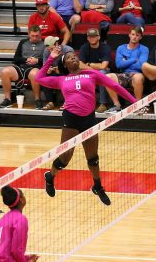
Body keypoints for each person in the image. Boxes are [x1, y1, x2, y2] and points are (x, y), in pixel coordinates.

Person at [36, 45, 137, 204]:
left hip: (89, 119)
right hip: (71, 119)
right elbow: (39, 78)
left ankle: (98, 186)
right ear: (65, 65)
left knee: (93, 158)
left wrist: (135, 102)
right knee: (64, 159)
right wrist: (51, 58)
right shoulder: (62, 80)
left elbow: (115, 86)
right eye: (69, 58)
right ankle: (50, 176)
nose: (73, 58)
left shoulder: (92, 74)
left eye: (74, 56)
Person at [0, 25, 45, 109]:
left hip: (35, 67)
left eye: (37, 36)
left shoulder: (44, 44)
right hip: (22, 67)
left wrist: (37, 60)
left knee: (35, 74)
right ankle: (7, 99)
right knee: (5, 71)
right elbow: (16, 58)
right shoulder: (23, 42)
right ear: (29, 34)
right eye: (32, 36)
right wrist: (26, 60)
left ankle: (37, 99)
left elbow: (47, 59)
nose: (34, 38)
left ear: (40, 34)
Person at [106, 26, 149, 112]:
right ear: (129, 35)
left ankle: (138, 105)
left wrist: (125, 62)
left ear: (140, 37)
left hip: (137, 74)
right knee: (108, 77)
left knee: (138, 77)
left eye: (137, 35)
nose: (134, 37)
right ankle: (117, 105)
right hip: (123, 74)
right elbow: (118, 65)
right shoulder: (121, 48)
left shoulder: (144, 49)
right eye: (133, 34)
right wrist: (134, 60)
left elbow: (141, 65)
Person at [0, 186, 39, 262]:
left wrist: (25, 258)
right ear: (21, 199)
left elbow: (1, 249)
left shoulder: (2, 219)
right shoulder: (21, 219)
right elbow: (16, 250)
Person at [78, 28, 112, 113]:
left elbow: (104, 66)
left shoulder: (105, 47)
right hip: (91, 71)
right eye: (90, 37)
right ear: (87, 38)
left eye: (94, 36)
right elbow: (79, 64)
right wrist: (91, 67)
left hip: (104, 72)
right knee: (78, 74)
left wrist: (89, 65)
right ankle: (83, 102)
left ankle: (103, 103)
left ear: (99, 37)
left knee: (102, 73)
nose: (91, 38)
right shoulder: (84, 47)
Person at [41, 36, 74, 111]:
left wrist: (61, 70)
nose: (50, 51)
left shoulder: (68, 50)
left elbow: (72, 67)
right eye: (48, 49)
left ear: (57, 44)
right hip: (54, 72)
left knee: (67, 77)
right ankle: (50, 101)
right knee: (44, 77)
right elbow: (45, 67)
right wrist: (47, 70)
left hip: (67, 72)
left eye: (52, 49)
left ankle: (68, 101)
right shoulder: (46, 51)